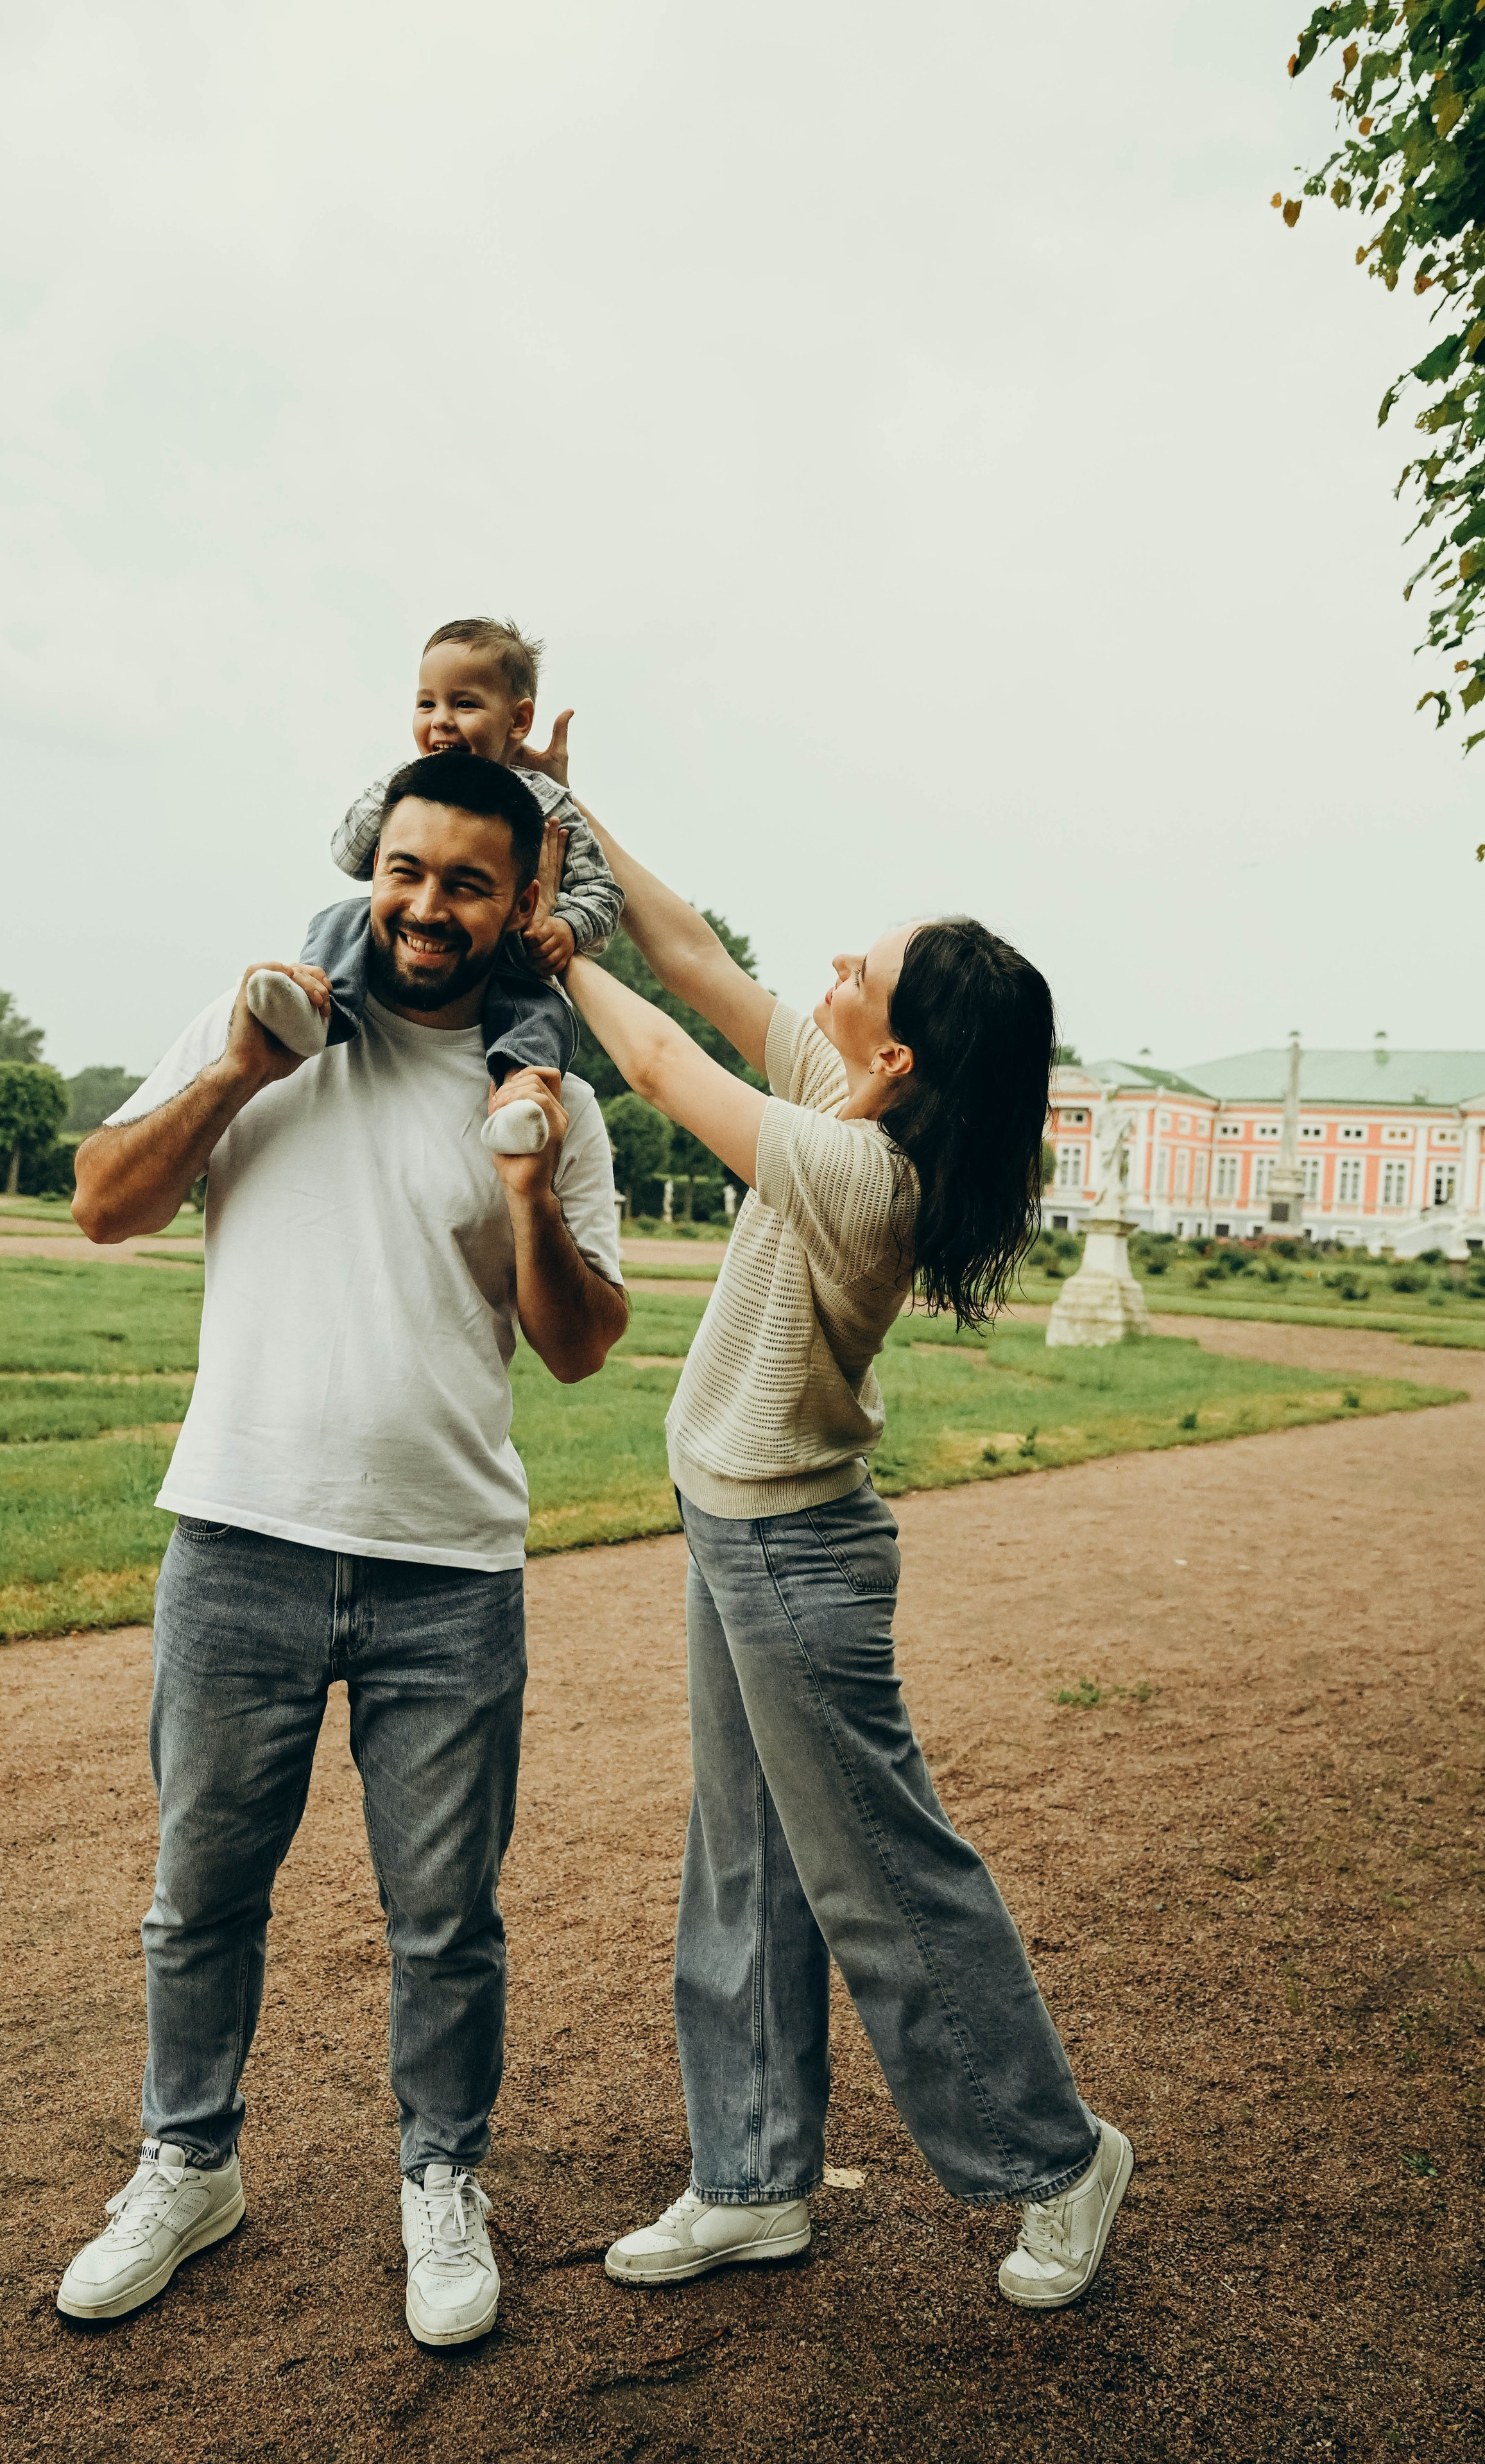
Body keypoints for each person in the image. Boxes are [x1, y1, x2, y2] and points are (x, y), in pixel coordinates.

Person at [58, 750, 629, 2348]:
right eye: (404, 870)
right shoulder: (266, 1015)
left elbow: (578, 1345)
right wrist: (243, 1063)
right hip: (239, 1533)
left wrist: (523, 1188)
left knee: (444, 1917)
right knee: (199, 1895)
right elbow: (103, 1203)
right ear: (367, 867)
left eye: (463, 881)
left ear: (518, 902)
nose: (425, 906)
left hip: (448, 1567)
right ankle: (187, 2161)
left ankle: (441, 2182)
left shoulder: (548, 1095)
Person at [560, 808, 1133, 2313]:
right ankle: (749, 2179)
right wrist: (560, 810)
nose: (825, 965)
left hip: (791, 1559)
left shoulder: (860, 1172)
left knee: (880, 1878)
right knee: (742, 1864)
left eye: (859, 968)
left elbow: (656, 1061)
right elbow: (689, 957)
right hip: (736, 1527)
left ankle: (1054, 2152)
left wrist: (548, 949)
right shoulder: (857, 1104)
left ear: (895, 1057)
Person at [245, 619, 621, 1160]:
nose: (442, 721)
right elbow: (350, 856)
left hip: (513, 964)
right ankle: (318, 1009)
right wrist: (410, 782)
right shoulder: (408, 788)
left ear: (518, 720)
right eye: (427, 705)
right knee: (345, 917)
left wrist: (565, 925)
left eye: (465, 705)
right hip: (409, 969)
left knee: (544, 1013)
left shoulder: (549, 806)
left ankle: (518, 1099)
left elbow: (604, 894)